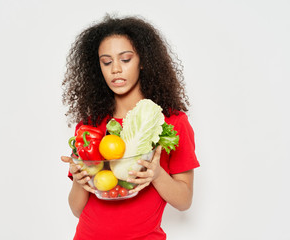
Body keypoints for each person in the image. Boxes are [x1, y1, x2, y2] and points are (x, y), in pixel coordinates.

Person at [61, 14, 199, 240]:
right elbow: (77, 210)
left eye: (125, 59)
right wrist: (79, 179)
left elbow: (184, 201)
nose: (115, 69)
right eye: (106, 62)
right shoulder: (89, 126)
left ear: (143, 61)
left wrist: (155, 174)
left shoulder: (172, 122)